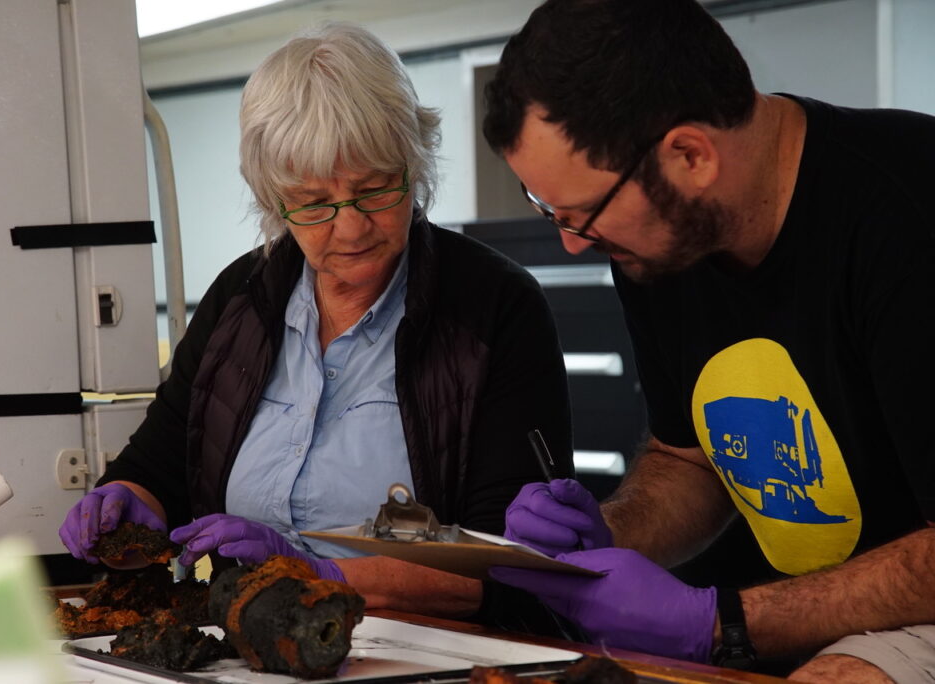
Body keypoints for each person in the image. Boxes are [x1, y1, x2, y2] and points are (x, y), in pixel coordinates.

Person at [481, 0, 935, 681]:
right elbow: (689, 459)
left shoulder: (908, 216)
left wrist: (720, 622)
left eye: (583, 214)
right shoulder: (661, 242)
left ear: (690, 155)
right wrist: (610, 534)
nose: (571, 242)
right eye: (548, 210)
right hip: (776, 614)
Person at [58, 23, 573, 622]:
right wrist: (126, 501)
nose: (351, 228)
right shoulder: (240, 300)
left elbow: (514, 568)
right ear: (273, 200)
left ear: (415, 167)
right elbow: (161, 464)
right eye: (313, 202)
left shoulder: (495, 309)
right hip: (251, 646)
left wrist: (320, 574)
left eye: (376, 189)